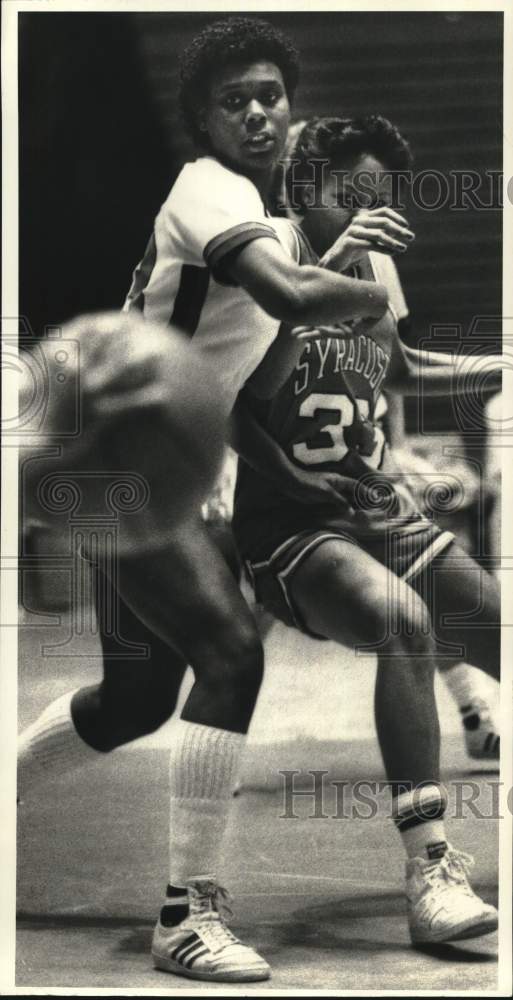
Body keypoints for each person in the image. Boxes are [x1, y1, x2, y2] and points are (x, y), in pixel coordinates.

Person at [18, 19, 396, 982]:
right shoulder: (208, 189)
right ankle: (187, 916)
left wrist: (292, 473)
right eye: (234, 100)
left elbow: (241, 386)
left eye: (270, 93)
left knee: (136, 701)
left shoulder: (266, 225)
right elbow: (299, 302)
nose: (258, 112)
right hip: (117, 461)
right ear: (202, 120)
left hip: (143, 465)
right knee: (228, 652)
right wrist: (365, 291)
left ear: (290, 103)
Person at [231, 115, 501, 944]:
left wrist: (499, 363)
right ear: (303, 183)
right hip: (291, 527)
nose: (372, 213)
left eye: (380, 199)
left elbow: (404, 367)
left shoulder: (375, 261)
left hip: (381, 509)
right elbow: (230, 399)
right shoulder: (260, 258)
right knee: (401, 623)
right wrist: (332, 259)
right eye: (354, 195)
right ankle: (429, 871)